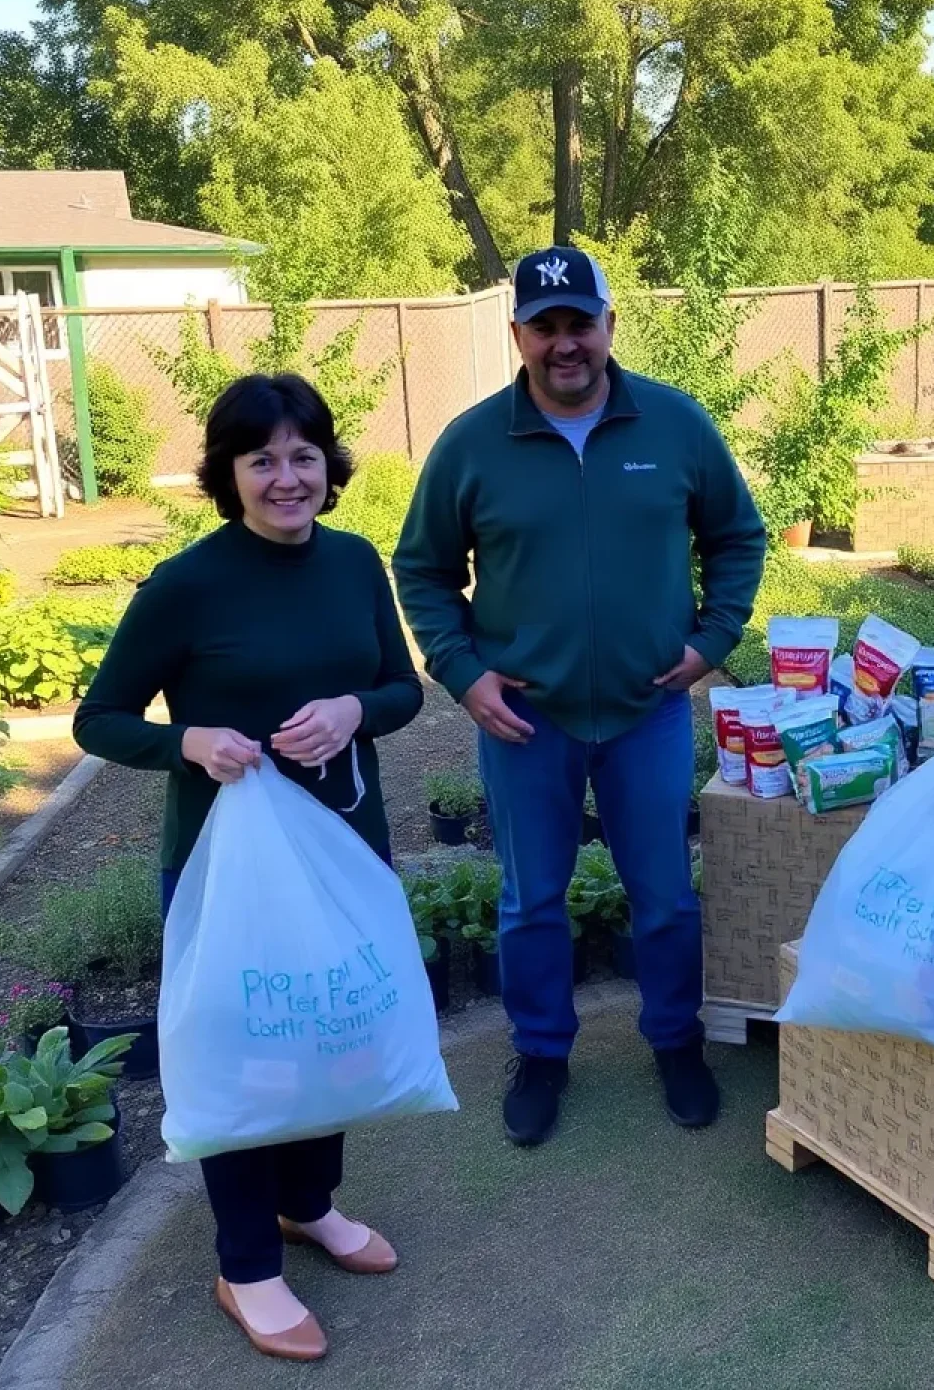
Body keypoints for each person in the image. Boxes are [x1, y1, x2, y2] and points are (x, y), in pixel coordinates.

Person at [74, 373, 423, 1363]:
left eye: (303, 455)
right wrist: (188, 742)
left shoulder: (357, 564)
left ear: (329, 464)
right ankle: (245, 1264)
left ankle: (309, 1205)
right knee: (249, 1051)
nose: (286, 477)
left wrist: (356, 711)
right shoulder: (189, 584)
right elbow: (98, 719)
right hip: (227, 870)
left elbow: (399, 687)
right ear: (228, 472)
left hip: (346, 849)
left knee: (334, 1029)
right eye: (261, 458)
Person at [393, 244, 766, 1148]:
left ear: (609, 325)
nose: (565, 343)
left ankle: (676, 1043)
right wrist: (465, 674)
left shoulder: (675, 427)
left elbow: (739, 538)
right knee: (530, 901)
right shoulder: (474, 443)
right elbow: (423, 570)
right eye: (544, 325)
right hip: (528, 721)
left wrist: (710, 641)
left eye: (580, 323)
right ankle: (544, 1053)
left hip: (648, 712)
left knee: (667, 896)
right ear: (518, 332)